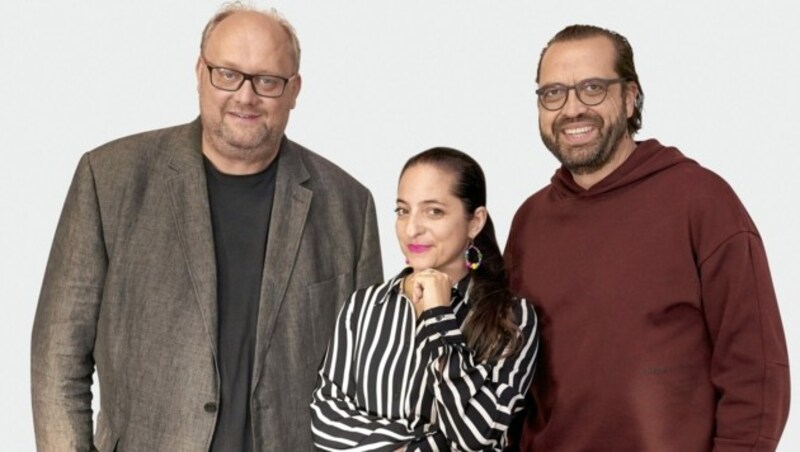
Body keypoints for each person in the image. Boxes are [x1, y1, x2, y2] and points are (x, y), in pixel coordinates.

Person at [30, 4, 382, 451]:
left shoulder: (349, 206)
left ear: (294, 90)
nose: (245, 96)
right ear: (200, 72)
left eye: (267, 81)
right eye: (227, 74)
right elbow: (57, 358)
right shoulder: (110, 179)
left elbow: (367, 382)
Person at [504, 24, 790, 451]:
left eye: (593, 88)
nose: (571, 108)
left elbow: (756, 373)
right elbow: (510, 380)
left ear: (630, 96)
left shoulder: (701, 201)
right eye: (553, 93)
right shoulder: (529, 221)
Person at [310, 147, 538, 451]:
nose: (412, 229)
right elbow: (326, 421)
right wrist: (424, 445)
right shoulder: (362, 306)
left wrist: (437, 317)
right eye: (403, 210)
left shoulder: (513, 318)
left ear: (475, 221)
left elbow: (474, 436)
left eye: (434, 211)